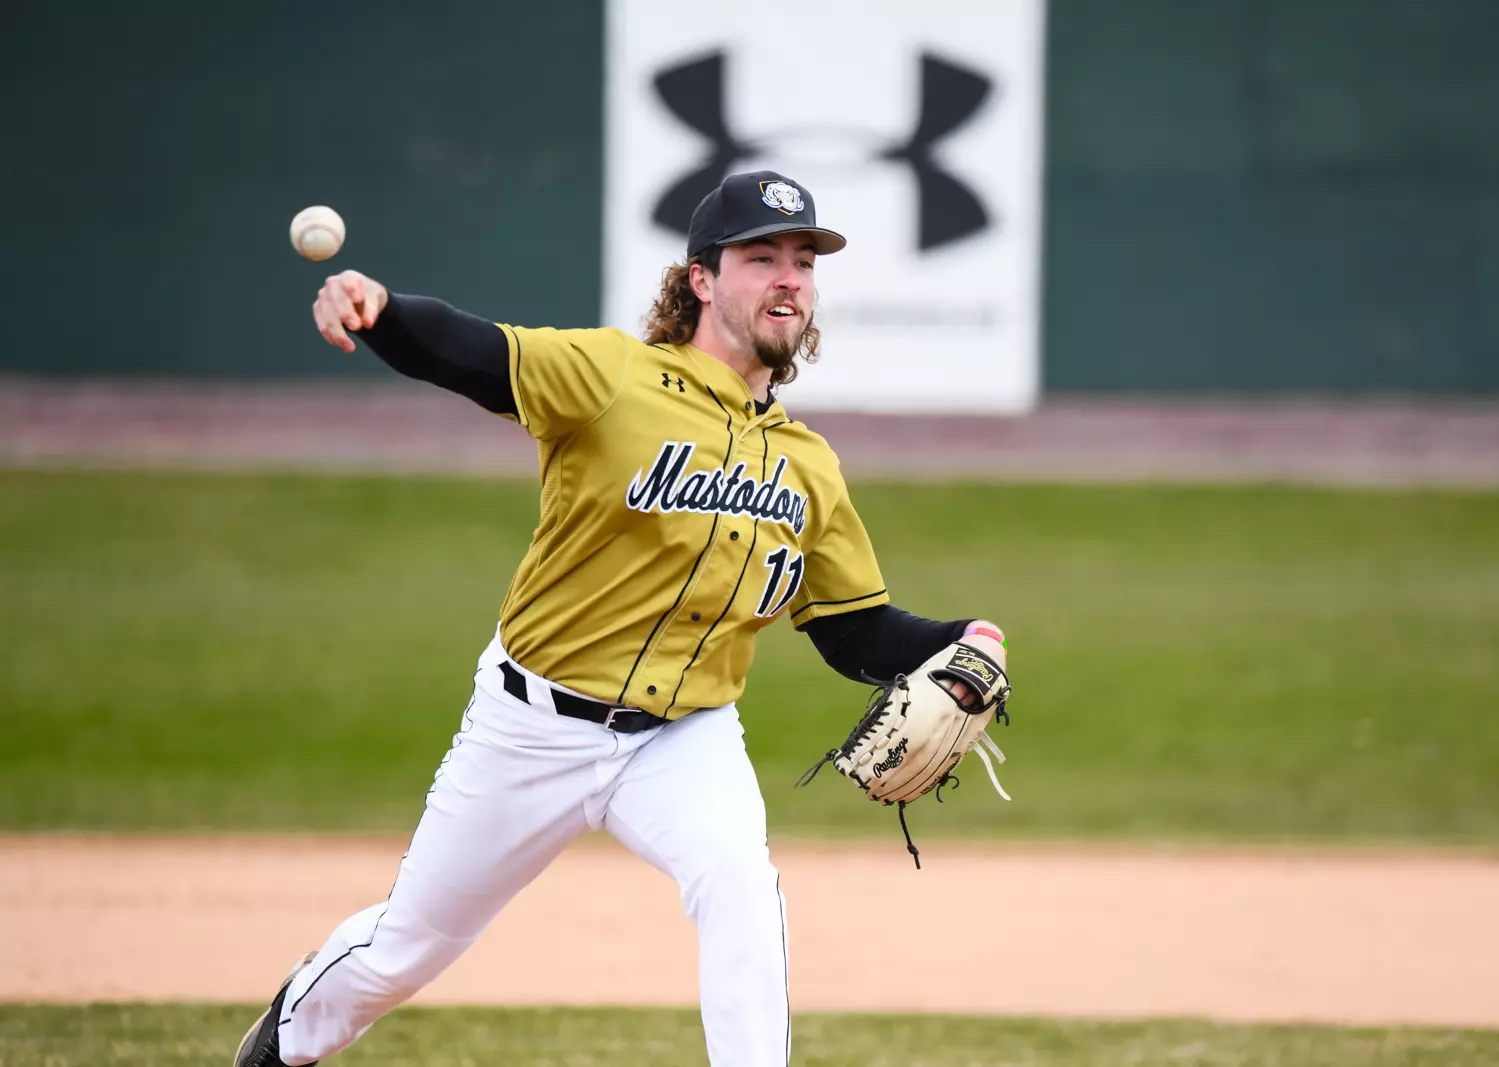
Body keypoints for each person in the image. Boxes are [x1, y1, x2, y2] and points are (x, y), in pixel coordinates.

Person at [234, 170, 1006, 1067]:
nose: (789, 276)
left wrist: (962, 637)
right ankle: (288, 1039)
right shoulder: (613, 377)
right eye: (762, 257)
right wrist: (382, 312)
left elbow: (853, 629)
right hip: (529, 727)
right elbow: (477, 354)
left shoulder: (809, 465)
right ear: (702, 281)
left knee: (742, 890)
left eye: (803, 259)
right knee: (410, 946)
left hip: (682, 740)